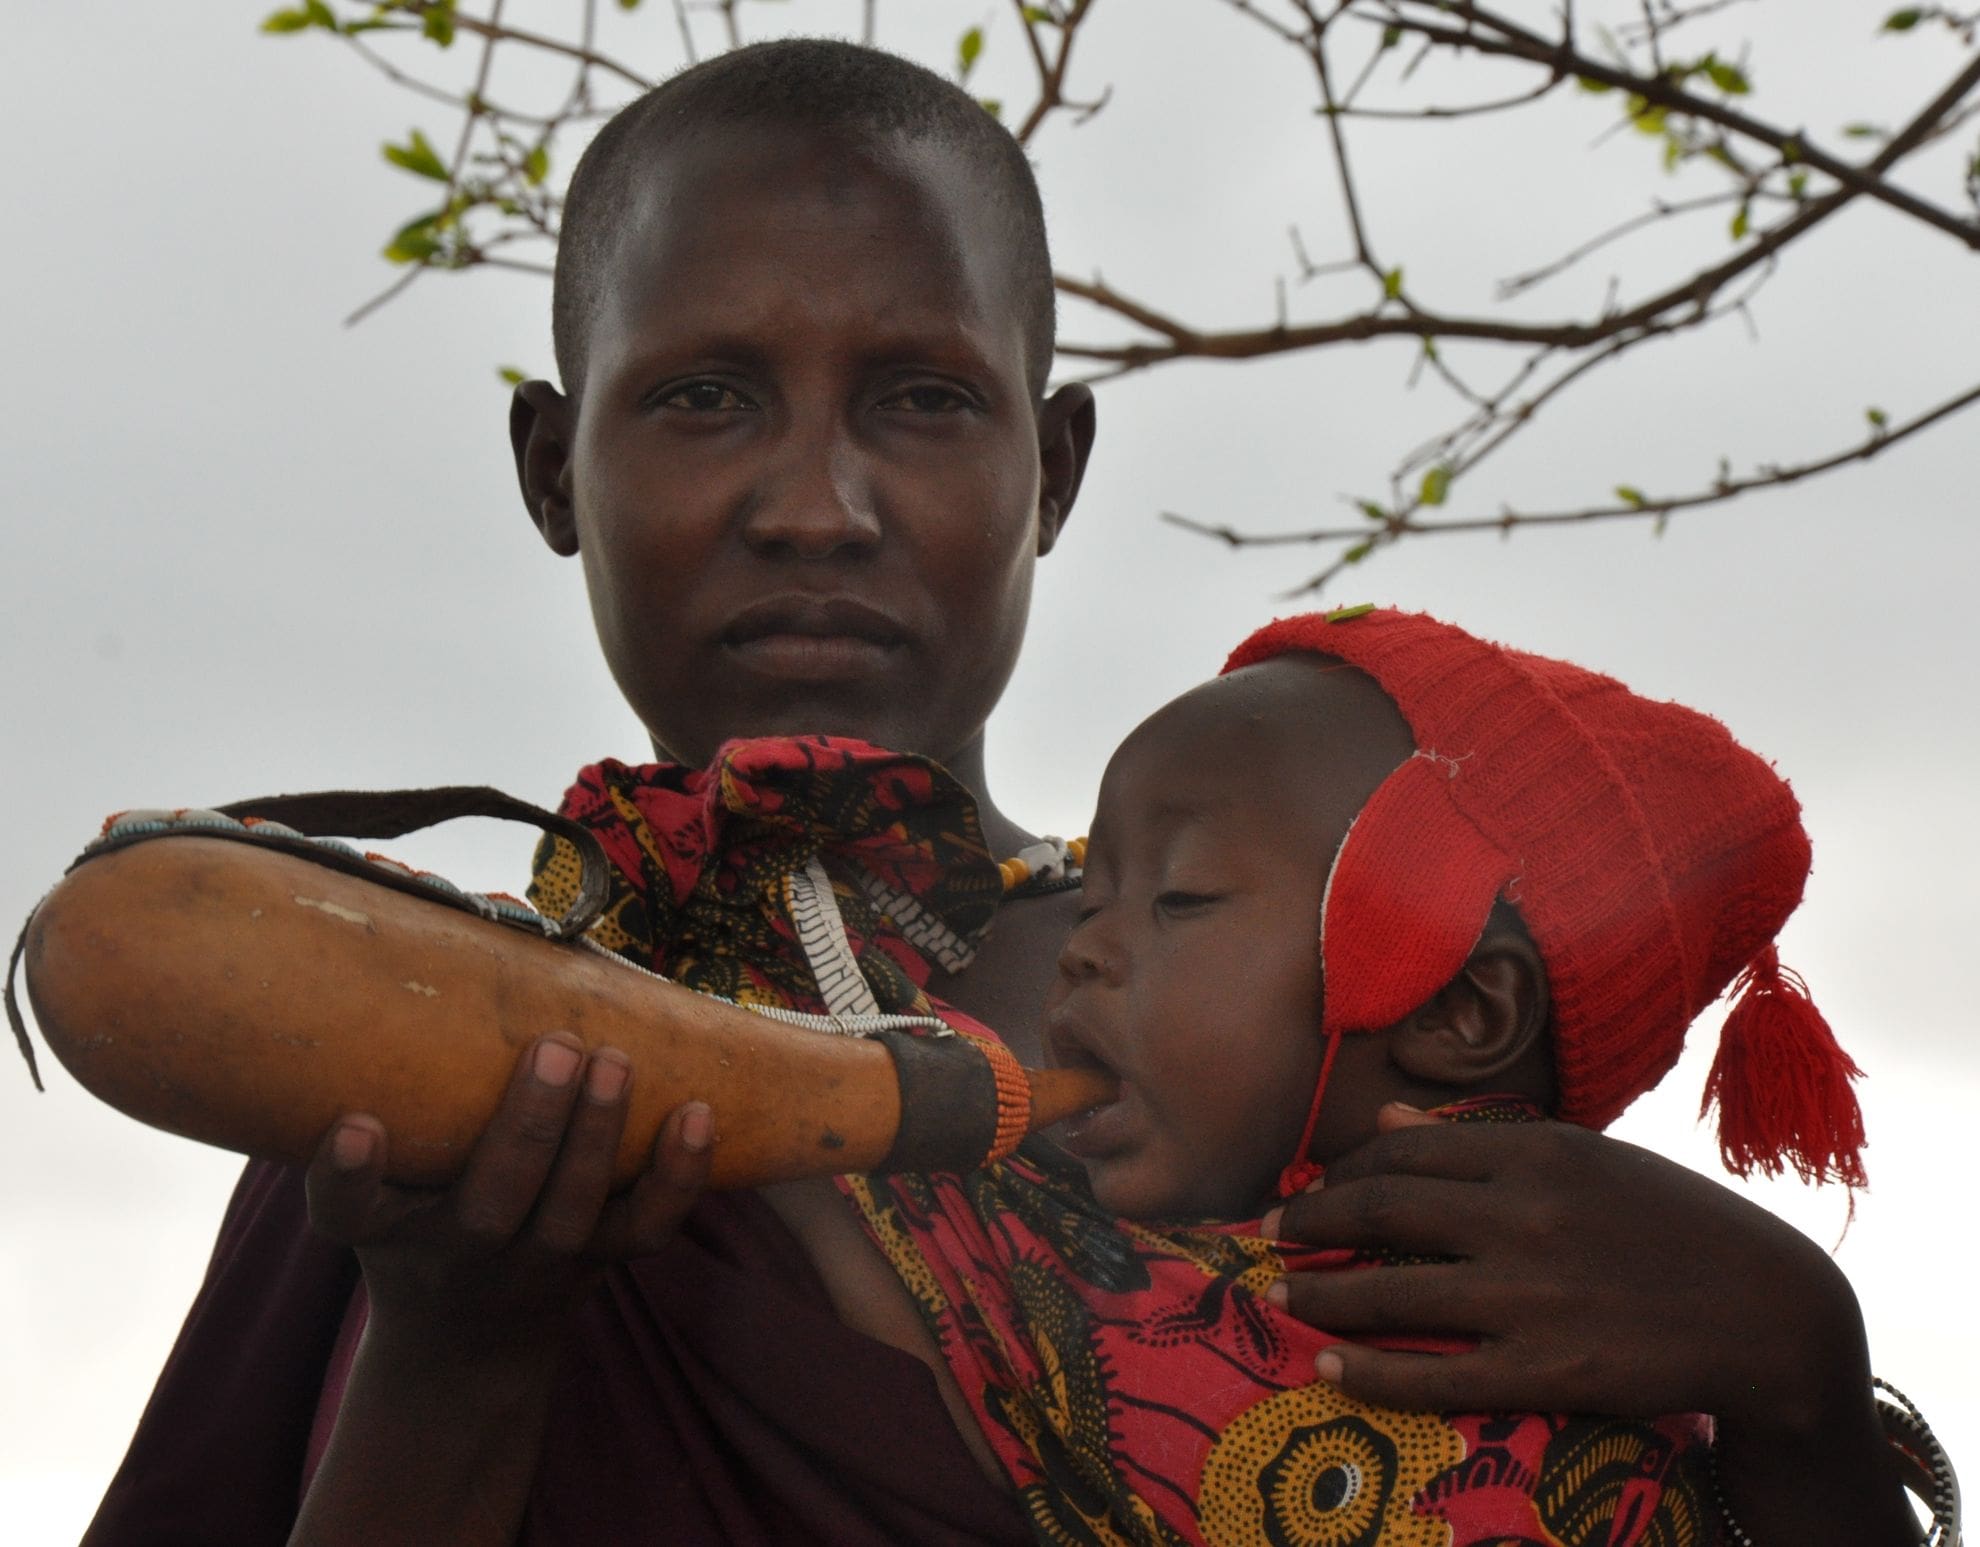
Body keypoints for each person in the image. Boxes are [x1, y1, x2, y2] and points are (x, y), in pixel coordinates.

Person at [79, 38, 1924, 1547]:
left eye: (922, 401)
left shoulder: (1287, 1014)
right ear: (558, 469)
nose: (816, 504)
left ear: (1055, 466)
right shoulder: (411, 1065)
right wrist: (458, 1355)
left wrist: (1801, 1394)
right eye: (707, 398)